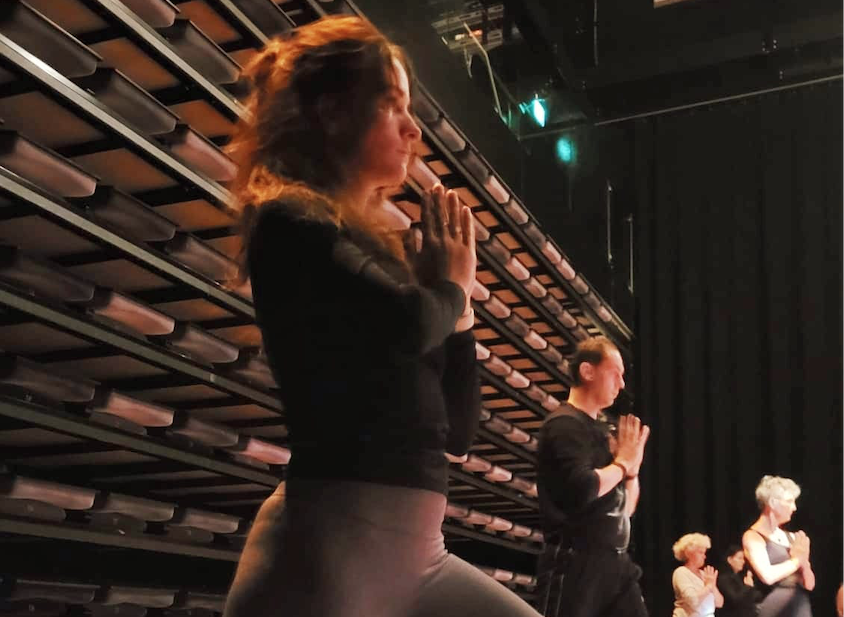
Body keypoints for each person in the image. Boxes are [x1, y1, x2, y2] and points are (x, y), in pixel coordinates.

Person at [220, 15, 542, 617]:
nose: (413, 129)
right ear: (333, 113)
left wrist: (460, 310)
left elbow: (458, 430)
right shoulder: (290, 221)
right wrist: (451, 285)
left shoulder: (374, 257)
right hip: (328, 556)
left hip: (419, 556)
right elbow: (411, 323)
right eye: (393, 106)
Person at [535, 336, 651, 617]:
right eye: (615, 374)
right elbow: (583, 488)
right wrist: (623, 463)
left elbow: (625, 510)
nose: (621, 384)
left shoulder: (601, 433)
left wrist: (632, 471)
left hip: (615, 561)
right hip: (576, 561)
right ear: (587, 371)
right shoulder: (564, 424)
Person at [742, 476, 815, 617]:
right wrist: (797, 560)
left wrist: (804, 562)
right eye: (789, 501)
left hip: (800, 607)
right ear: (773, 503)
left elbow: (809, 584)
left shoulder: (792, 538)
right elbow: (767, 576)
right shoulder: (753, 536)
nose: (794, 507)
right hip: (772, 609)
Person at [671, 533, 725, 617]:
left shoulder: (704, 574)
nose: (704, 556)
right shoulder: (681, 572)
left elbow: (719, 603)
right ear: (688, 553)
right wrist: (708, 586)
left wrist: (713, 586)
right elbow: (693, 601)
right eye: (700, 552)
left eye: (704, 553)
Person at [716, 544, 762, 617]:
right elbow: (735, 599)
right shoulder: (724, 578)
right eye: (739, 558)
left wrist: (751, 588)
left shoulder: (740, 576)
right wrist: (748, 586)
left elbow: (755, 596)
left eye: (743, 559)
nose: (743, 561)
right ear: (730, 560)